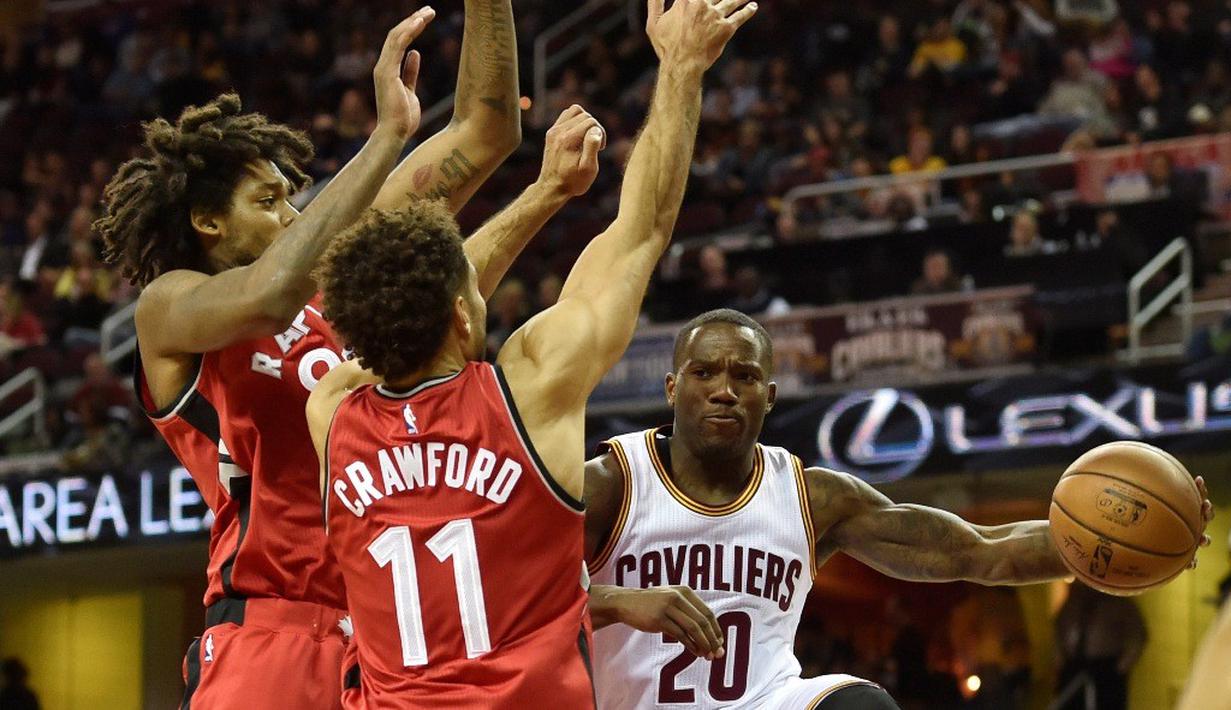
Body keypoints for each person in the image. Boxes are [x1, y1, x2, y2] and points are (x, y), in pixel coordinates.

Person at [305, 1, 757, 705]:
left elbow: (396, 315)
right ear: (461, 312)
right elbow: (640, 231)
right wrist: (680, 68)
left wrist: (544, 194)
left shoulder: (332, 410)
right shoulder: (529, 389)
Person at [93, 4, 526, 708]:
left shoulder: (334, 282)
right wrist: (386, 136)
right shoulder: (171, 306)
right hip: (272, 637)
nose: (293, 216)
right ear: (207, 220)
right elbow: (269, 295)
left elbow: (486, 130)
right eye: (269, 200)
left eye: (291, 199)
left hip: (386, 638)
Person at [583, 308, 1214, 709]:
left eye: (744, 376)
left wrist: (1121, 546)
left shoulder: (814, 499)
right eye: (704, 373)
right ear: (673, 387)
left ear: (768, 396)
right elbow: (522, 597)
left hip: (766, 703)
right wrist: (617, 601)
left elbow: (979, 551)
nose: (724, 390)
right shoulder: (610, 484)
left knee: (863, 707)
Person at [1053, 582, 1147, 710]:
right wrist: (1060, 660)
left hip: (1106, 668)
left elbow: (1136, 636)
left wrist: (1120, 668)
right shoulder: (1073, 602)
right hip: (1074, 665)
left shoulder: (1121, 605)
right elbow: (1059, 630)